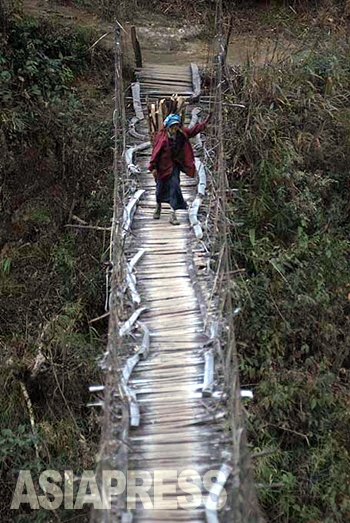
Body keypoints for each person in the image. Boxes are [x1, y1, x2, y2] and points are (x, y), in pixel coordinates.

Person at [148, 112, 210, 225]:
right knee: (160, 188)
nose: (174, 128)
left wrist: (203, 125)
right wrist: (153, 168)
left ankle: (173, 214)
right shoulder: (161, 137)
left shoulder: (181, 133)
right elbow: (155, 153)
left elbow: (192, 131)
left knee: (175, 186)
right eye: (172, 126)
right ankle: (158, 206)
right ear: (168, 127)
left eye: (176, 126)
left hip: (174, 165)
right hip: (162, 166)